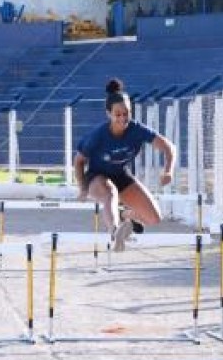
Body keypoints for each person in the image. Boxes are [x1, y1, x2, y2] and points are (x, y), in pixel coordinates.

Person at [73, 78, 175, 252]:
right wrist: (82, 188)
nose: (123, 118)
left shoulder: (137, 130)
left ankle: (124, 214)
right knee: (110, 192)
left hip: (120, 175)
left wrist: (168, 171)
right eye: (118, 114)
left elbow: (168, 146)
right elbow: (78, 161)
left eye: (126, 113)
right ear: (109, 114)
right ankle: (115, 232)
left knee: (154, 218)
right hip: (96, 177)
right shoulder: (98, 136)